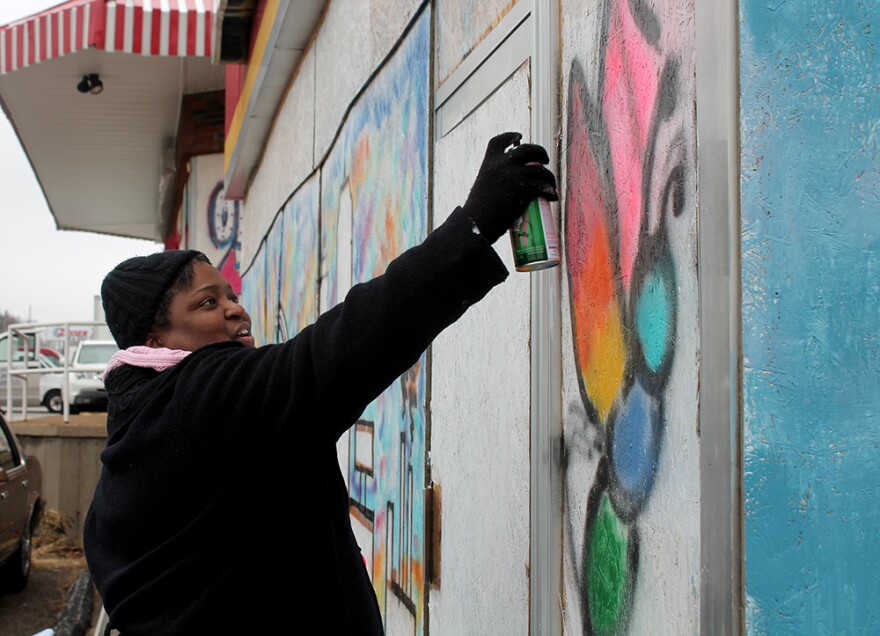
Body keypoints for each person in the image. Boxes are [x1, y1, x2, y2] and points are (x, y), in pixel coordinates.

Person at [84, 132, 558, 634]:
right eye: (207, 303)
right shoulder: (198, 398)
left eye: (230, 295)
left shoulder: (129, 448)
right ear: (155, 341)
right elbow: (338, 352)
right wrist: (473, 226)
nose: (235, 309)